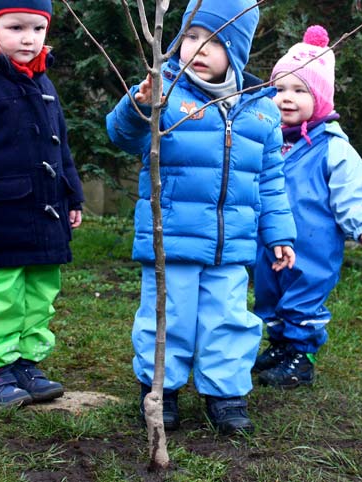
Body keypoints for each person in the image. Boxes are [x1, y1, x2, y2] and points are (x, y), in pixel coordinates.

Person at [106, 0, 297, 435]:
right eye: (191, 36)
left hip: (231, 246)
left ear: (238, 50)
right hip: (172, 238)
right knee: (167, 315)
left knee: (227, 316)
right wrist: (139, 106)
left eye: (212, 41)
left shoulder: (261, 110)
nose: (198, 48)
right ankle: (161, 390)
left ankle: (225, 393)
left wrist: (280, 233)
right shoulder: (165, 93)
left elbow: (270, 181)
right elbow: (122, 135)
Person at [0, 0, 85, 407]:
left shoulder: (43, 82)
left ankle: (28, 362)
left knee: (40, 291)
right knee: (0, 293)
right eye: (15, 28)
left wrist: (72, 194)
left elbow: (60, 144)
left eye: (37, 29)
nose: (29, 39)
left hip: (46, 210)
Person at [253, 25, 362, 388]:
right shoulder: (269, 141)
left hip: (314, 246)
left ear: (321, 98)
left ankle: (302, 358)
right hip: (271, 241)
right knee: (269, 293)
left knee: (303, 297)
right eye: (278, 89)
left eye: (299, 90)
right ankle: (281, 346)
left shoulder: (333, 147)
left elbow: (351, 191)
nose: (286, 98)